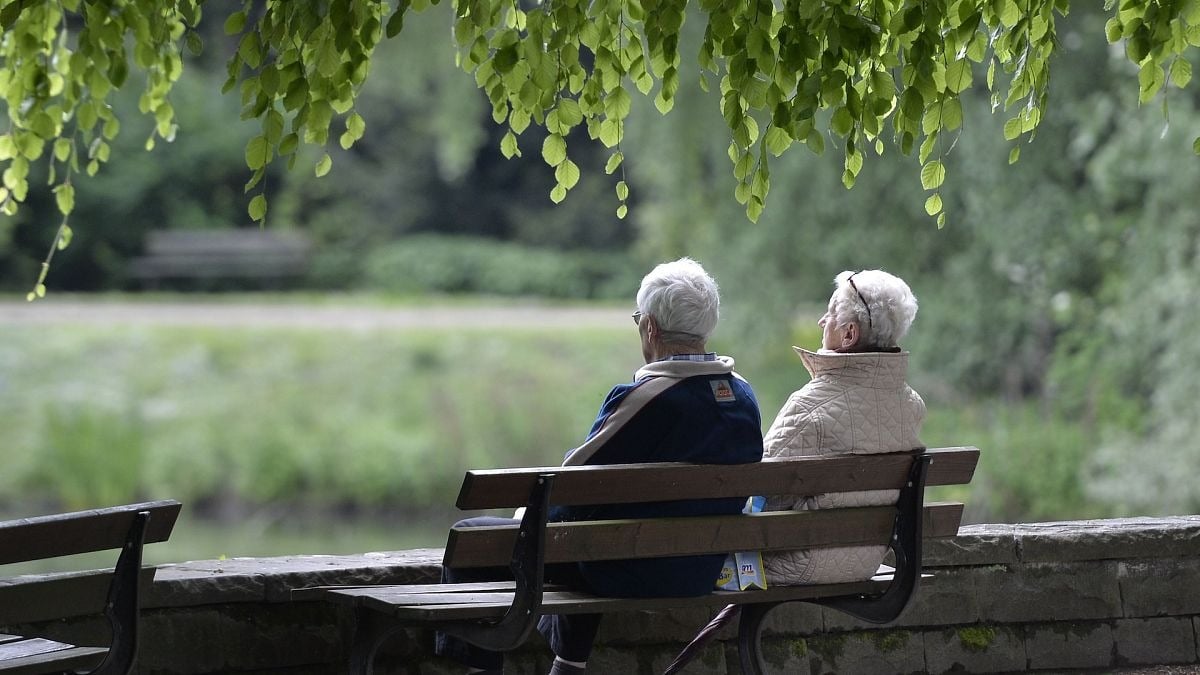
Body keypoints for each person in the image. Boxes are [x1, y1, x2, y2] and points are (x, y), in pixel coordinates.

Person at [434, 257, 764, 675]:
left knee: (483, 538)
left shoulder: (647, 399)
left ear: (650, 328)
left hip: (630, 569)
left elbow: (569, 484)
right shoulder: (743, 398)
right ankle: (568, 665)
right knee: (587, 534)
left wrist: (525, 520)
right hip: (699, 570)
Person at [761, 269, 925, 585]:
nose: (822, 322)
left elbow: (761, 492)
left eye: (831, 312)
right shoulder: (913, 405)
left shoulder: (810, 405)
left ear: (848, 334)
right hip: (866, 563)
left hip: (797, 563)